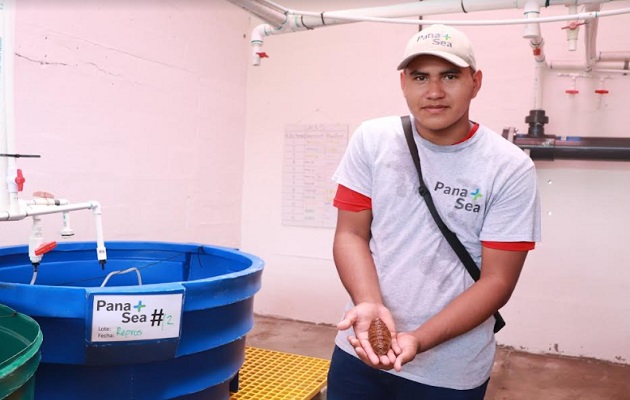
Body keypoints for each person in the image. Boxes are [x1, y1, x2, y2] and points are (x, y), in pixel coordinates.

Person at [326, 24, 541, 400]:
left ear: (476, 82)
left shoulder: (509, 167)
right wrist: (369, 303)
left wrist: (418, 340)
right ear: (403, 82)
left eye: (451, 76)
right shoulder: (372, 140)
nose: (435, 92)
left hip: (449, 372)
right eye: (421, 77)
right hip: (358, 348)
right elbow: (351, 234)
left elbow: (497, 282)